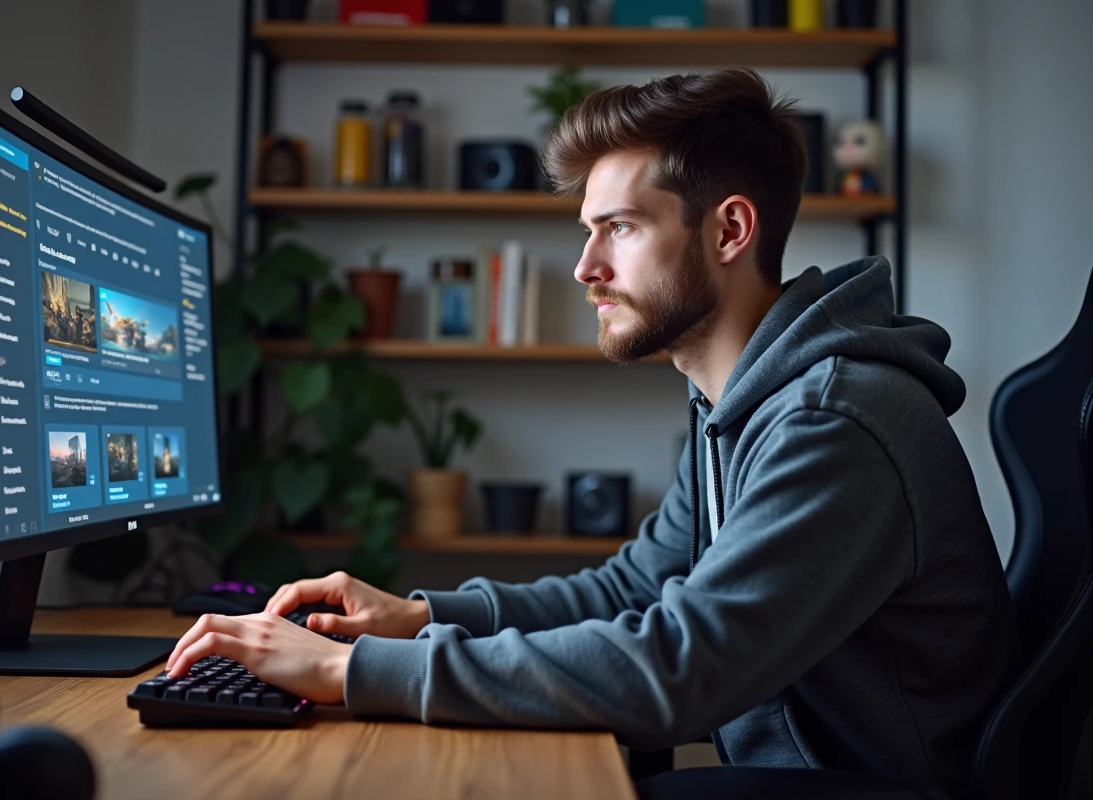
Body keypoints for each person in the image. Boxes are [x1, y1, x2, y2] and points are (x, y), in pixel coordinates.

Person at [166, 69, 1016, 799]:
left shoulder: (835, 422)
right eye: (588, 231)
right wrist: (415, 617)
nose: (585, 269)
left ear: (728, 231)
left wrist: (348, 673)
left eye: (621, 227)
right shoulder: (738, 401)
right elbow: (637, 591)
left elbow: (679, 669)